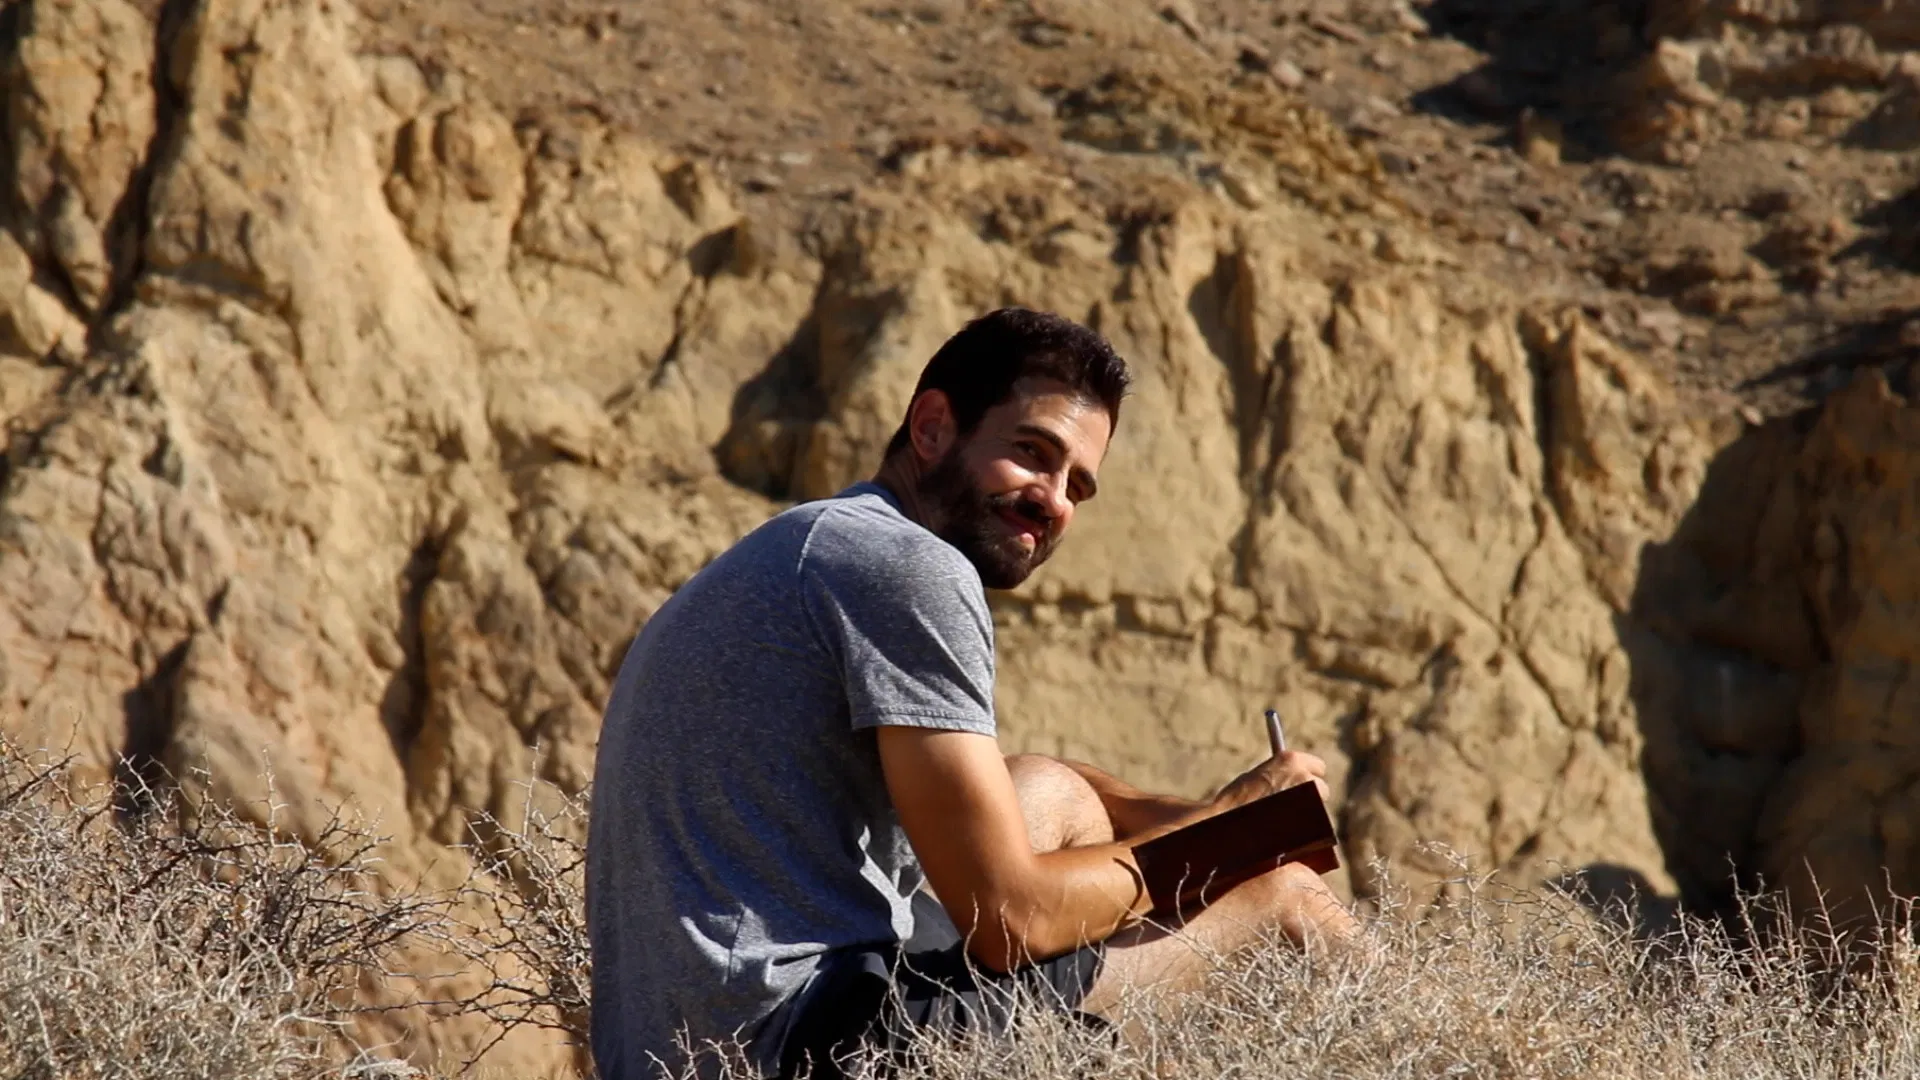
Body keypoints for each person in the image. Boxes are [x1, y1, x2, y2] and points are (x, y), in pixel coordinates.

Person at [586, 308, 1359, 1080]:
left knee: (1052, 790)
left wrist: (1221, 818)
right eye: (1032, 453)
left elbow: (1016, 809)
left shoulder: (824, 541)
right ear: (932, 427)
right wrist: (1236, 831)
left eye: (1077, 485)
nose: (1054, 499)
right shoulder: (911, 567)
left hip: (700, 1044)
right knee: (1286, 899)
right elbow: (1011, 920)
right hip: (788, 1051)